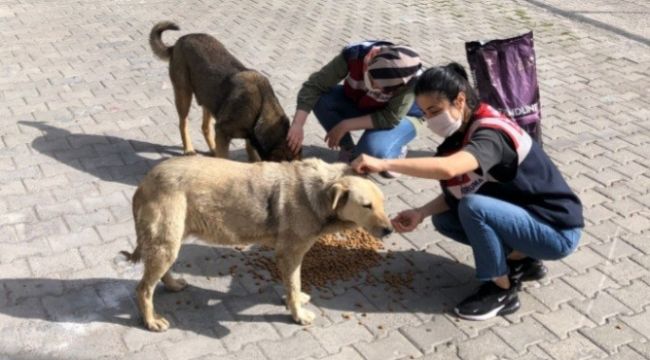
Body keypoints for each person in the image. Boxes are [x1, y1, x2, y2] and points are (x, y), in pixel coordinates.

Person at [351, 62, 584, 320]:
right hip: (531, 217)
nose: (430, 120)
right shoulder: (464, 130)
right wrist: (421, 212)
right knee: (446, 218)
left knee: (473, 208)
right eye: (426, 113)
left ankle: (500, 291)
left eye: (435, 110)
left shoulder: (490, 133)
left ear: (459, 100)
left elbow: (449, 169)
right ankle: (523, 261)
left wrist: (384, 163)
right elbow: (463, 187)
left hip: (557, 230)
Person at [286, 41, 424, 177]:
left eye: (386, 89)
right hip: (364, 103)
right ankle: (348, 149)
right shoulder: (354, 55)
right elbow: (314, 86)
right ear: (368, 63)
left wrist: (345, 125)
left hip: (400, 118)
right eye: (374, 82)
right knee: (322, 98)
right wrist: (298, 124)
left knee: (372, 152)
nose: (379, 89)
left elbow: (390, 117)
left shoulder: (410, 78)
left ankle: (395, 148)